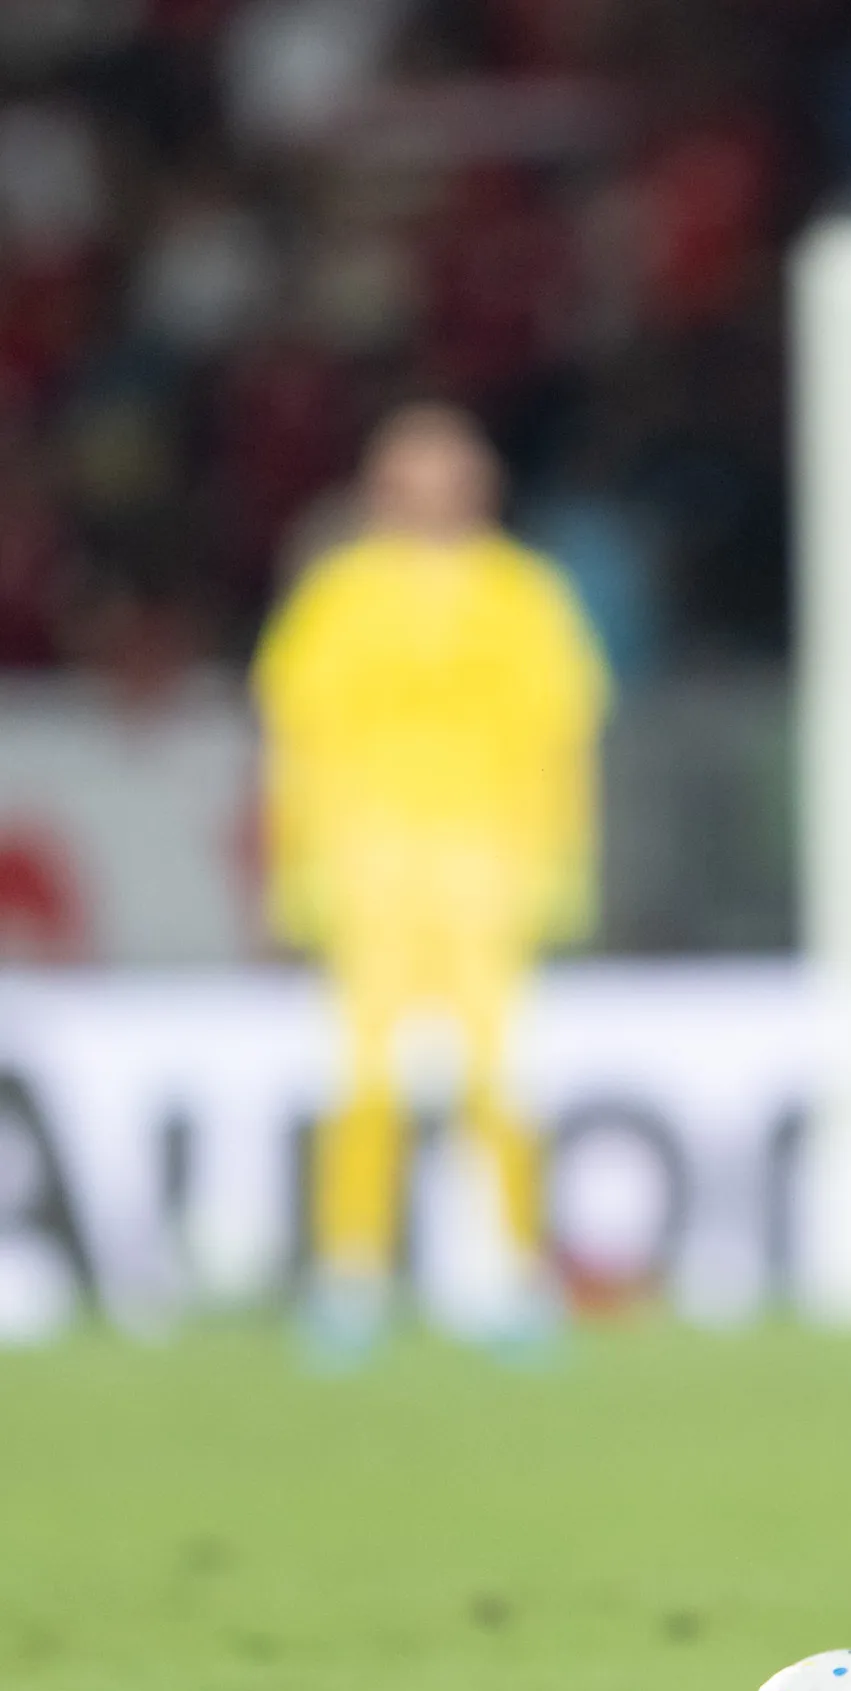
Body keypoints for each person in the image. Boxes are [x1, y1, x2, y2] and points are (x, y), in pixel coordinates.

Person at [252, 402, 608, 1364]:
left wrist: (565, 867)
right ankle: (352, 1277)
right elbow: (298, 744)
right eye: (411, 482)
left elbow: (561, 744)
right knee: (365, 1080)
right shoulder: (340, 596)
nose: (429, 498)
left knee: (499, 1081)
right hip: (370, 866)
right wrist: (293, 871)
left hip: (489, 866)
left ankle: (512, 1273)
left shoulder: (524, 595)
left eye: (445, 480)